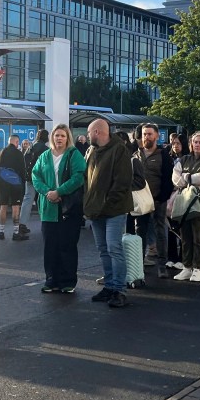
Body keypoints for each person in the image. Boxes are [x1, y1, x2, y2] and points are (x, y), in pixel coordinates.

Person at [83, 119, 133, 308]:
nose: (88, 136)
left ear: (97, 131)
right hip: (96, 210)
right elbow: (87, 181)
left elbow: (122, 183)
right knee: (104, 249)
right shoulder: (92, 151)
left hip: (114, 210)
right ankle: (110, 286)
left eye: (89, 132)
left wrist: (103, 204)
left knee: (114, 248)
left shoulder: (119, 150)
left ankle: (119, 289)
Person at [31, 124, 86, 294]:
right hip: (48, 208)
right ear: (52, 137)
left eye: (62, 135)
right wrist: (48, 192)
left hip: (68, 208)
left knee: (67, 245)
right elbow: (35, 175)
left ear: (67, 137)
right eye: (56, 135)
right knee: (50, 246)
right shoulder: (44, 156)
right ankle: (51, 280)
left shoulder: (74, 154)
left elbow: (79, 177)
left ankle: (68, 281)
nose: (59, 138)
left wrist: (60, 191)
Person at [171, 131, 200, 283]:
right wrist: (189, 179)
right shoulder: (184, 159)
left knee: (199, 235)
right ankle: (187, 267)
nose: (197, 144)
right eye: (195, 142)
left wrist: (186, 177)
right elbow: (175, 179)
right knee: (185, 235)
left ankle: (198, 268)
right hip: (185, 200)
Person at [135, 123, 174, 279]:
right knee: (140, 233)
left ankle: (162, 265)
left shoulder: (163, 155)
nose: (146, 137)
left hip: (158, 200)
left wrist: (161, 198)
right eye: (144, 134)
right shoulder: (136, 154)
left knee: (160, 232)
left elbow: (168, 179)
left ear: (157, 136)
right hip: (140, 202)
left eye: (150, 134)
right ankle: (138, 265)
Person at [0, 134, 29, 241]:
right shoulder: (19, 153)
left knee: (3, 206)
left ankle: (1, 231)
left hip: (2, 183)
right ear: (16, 142)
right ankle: (15, 232)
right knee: (16, 207)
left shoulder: (1, 152)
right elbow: (23, 169)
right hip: (15, 183)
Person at [22, 129, 50, 235]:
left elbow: (25, 160)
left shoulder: (31, 146)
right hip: (41, 178)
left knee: (27, 199)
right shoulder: (45, 149)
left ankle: (22, 224)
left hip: (29, 177)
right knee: (44, 199)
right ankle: (46, 222)